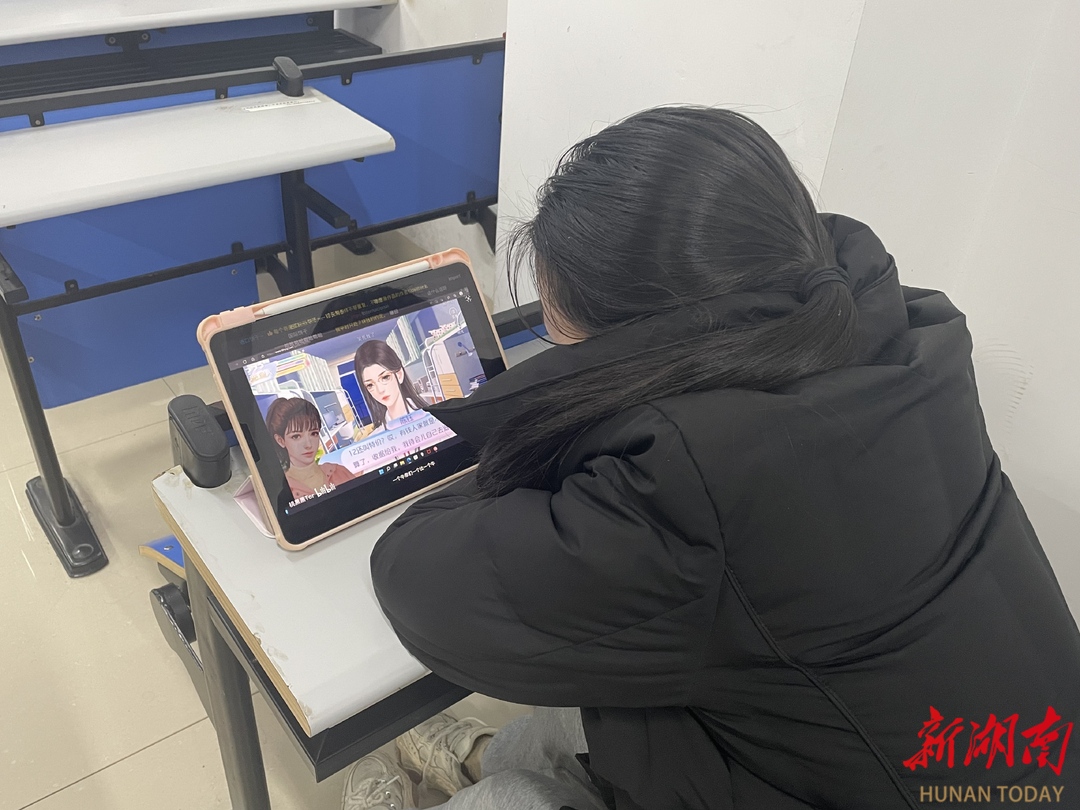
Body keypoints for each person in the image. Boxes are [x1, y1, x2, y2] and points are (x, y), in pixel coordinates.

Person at [344, 107, 1080, 809]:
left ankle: (482, 778)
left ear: (629, 343)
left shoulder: (686, 486)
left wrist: (538, 430)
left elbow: (417, 578)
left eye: (557, 328)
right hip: (1013, 766)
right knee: (592, 705)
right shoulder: (913, 336)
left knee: (508, 800)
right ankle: (482, 755)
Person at [264, 396, 354, 502]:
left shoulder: (338, 471)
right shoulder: (282, 491)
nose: (308, 444)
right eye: (296, 436)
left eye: (313, 433)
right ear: (280, 440)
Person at [353, 340, 429, 438]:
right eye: (370, 385)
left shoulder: (431, 416)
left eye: (385, 377)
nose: (380, 390)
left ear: (399, 375)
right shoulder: (376, 438)